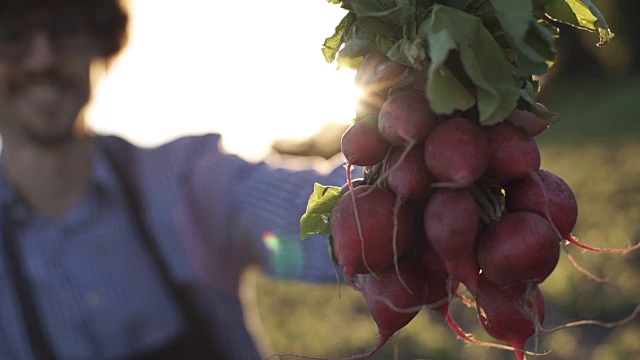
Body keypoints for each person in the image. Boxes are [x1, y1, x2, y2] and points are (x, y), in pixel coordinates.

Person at [0, 1, 349, 359]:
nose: (42, 59)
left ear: (99, 42)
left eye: (66, 30)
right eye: (11, 35)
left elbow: (310, 210)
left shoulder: (181, 180)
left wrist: (380, 188)